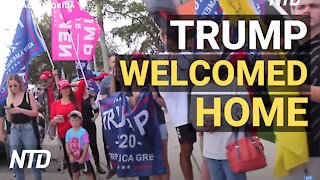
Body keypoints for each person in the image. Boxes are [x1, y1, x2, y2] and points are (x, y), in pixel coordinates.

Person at [283, 0, 320, 179]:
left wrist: (296, 88)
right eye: (301, 6)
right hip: (292, 148)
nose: (306, 11)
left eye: (314, 6)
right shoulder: (289, 49)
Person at [158, 27, 196, 180]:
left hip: (197, 109)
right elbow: (165, 90)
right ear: (163, 39)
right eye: (167, 36)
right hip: (180, 114)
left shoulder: (188, 55)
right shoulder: (160, 60)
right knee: (186, 148)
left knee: (198, 147)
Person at [128, 52, 170, 180]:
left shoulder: (155, 80)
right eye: (136, 62)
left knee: (162, 159)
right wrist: (135, 97)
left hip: (159, 123)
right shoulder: (130, 83)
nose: (139, 64)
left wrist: (155, 96)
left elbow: (166, 104)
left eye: (142, 61)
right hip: (143, 128)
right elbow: (129, 108)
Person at [5, 74, 42, 180]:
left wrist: (20, 110)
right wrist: (9, 113)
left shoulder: (27, 94)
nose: (13, 88)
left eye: (15, 85)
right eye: (11, 86)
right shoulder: (9, 98)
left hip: (27, 128)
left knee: (33, 159)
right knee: (16, 160)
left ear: (20, 84)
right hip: (15, 129)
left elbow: (35, 113)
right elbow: (9, 120)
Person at [50, 78, 85, 178]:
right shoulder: (55, 104)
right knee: (71, 161)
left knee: (83, 160)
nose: (66, 90)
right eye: (63, 88)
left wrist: (68, 83)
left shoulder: (76, 98)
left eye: (67, 88)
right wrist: (55, 120)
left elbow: (82, 83)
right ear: (60, 90)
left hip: (78, 135)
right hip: (64, 137)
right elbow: (52, 121)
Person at [81, 88, 106, 174]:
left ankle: (98, 165)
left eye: (85, 88)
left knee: (94, 146)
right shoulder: (77, 98)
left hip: (90, 125)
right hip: (81, 126)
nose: (84, 90)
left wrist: (94, 118)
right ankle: (86, 166)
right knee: (83, 147)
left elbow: (96, 110)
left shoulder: (90, 98)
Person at [65, 110, 95, 180]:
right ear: (69, 121)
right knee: (75, 174)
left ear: (80, 120)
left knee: (88, 173)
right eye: (72, 120)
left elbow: (86, 145)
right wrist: (70, 155)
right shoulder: (68, 132)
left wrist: (83, 157)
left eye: (76, 120)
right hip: (73, 158)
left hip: (84, 158)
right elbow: (67, 144)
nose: (74, 122)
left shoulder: (83, 132)